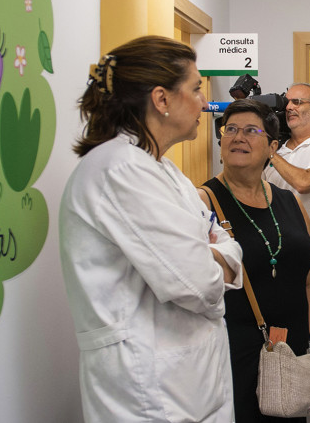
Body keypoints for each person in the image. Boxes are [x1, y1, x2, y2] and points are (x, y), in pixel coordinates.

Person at [59, 36, 243, 422]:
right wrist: (210, 256)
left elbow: (226, 244)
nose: (204, 103)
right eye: (196, 89)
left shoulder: (160, 168)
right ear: (161, 100)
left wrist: (210, 253)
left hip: (186, 379)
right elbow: (199, 284)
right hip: (148, 387)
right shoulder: (121, 169)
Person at [200, 99, 310, 423]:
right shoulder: (204, 201)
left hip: (291, 349)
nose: (238, 137)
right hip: (234, 351)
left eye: (251, 130)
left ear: (272, 147)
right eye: (231, 130)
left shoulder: (290, 202)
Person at [262, 82, 310, 423]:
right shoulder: (277, 148)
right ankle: (281, 404)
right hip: (269, 262)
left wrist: (269, 152)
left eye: (298, 102)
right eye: (287, 102)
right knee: (276, 342)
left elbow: (306, 182)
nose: (289, 107)